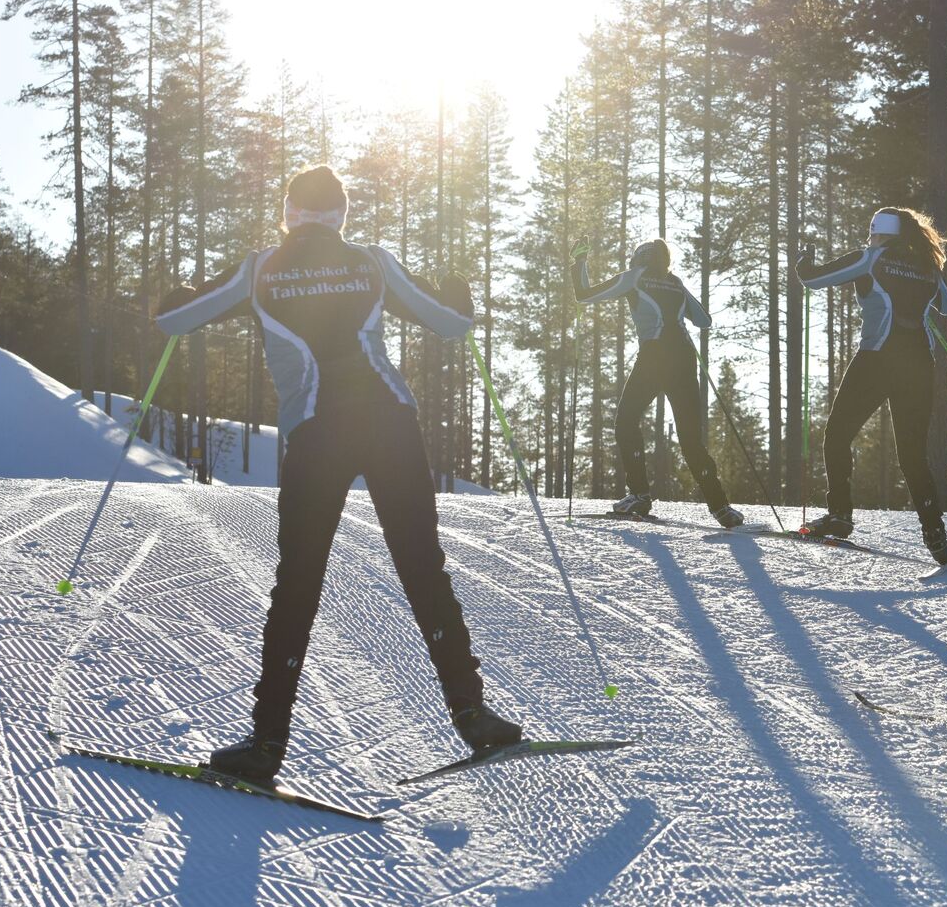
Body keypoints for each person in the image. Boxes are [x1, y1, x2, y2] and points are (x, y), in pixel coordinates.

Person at [154, 165, 523, 781]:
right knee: (422, 567)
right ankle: (474, 715)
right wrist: (457, 292)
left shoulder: (259, 268)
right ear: (342, 215)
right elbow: (454, 324)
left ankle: (266, 746)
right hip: (390, 425)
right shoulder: (373, 262)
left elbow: (173, 322)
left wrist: (173, 299)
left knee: (297, 583)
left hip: (318, 431)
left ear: (289, 212)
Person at [794, 207, 947, 564]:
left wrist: (804, 258)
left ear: (877, 233)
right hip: (919, 365)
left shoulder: (870, 258)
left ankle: (840, 514)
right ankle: (937, 538)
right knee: (913, 456)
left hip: (877, 359)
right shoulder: (926, 267)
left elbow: (811, 279)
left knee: (837, 435)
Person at [570, 238, 745, 528]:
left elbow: (585, 295)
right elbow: (704, 321)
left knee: (626, 421)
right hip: (684, 360)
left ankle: (639, 495)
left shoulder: (635, 277)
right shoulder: (674, 281)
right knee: (690, 440)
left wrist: (580, 263)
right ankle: (721, 506)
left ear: (639, 260)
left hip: (654, 356)